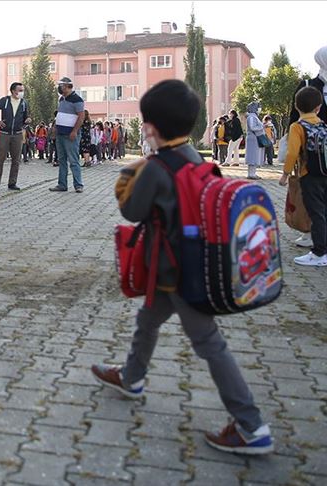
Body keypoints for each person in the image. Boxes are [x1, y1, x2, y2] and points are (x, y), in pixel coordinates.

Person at [93, 79, 274, 456]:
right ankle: (131, 378)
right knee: (148, 320)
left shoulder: (155, 168)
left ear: (150, 128)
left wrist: (127, 178)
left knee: (209, 343)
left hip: (179, 272)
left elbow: (133, 210)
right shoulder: (197, 158)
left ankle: (251, 425)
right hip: (184, 263)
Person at [279, 87, 327, 267]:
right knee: (324, 212)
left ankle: (319, 253)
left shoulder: (297, 127)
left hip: (309, 175)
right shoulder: (323, 124)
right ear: (318, 107)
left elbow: (292, 153)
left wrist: (285, 175)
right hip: (325, 174)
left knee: (316, 214)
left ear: (297, 107)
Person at [287, 45, 327, 249]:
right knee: (310, 194)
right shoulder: (308, 85)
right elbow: (294, 117)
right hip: (311, 153)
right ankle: (310, 232)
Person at [0, 82, 31, 190]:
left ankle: (12, 183)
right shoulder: (5, 101)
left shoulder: (24, 103)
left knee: (16, 160)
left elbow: (26, 117)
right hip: (4, 134)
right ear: (13, 91)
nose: (22, 92)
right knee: (0, 159)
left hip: (17, 134)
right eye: (20, 90)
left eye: (22, 90)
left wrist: (27, 121)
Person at [49, 77, 85, 193]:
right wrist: (55, 128)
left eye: (62, 85)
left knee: (73, 160)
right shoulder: (61, 99)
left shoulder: (77, 99)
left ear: (68, 86)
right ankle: (62, 184)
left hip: (70, 135)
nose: (60, 88)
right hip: (60, 134)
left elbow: (81, 116)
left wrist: (74, 131)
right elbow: (59, 114)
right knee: (61, 160)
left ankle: (78, 185)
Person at [245, 102, 265, 180]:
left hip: (254, 139)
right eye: (258, 107)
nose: (259, 109)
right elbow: (253, 127)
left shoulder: (254, 116)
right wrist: (262, 126)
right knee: (252, 156)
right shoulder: (252, 117)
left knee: (254, 156)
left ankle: (253, 173)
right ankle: (251, 174)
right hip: (253, 139)